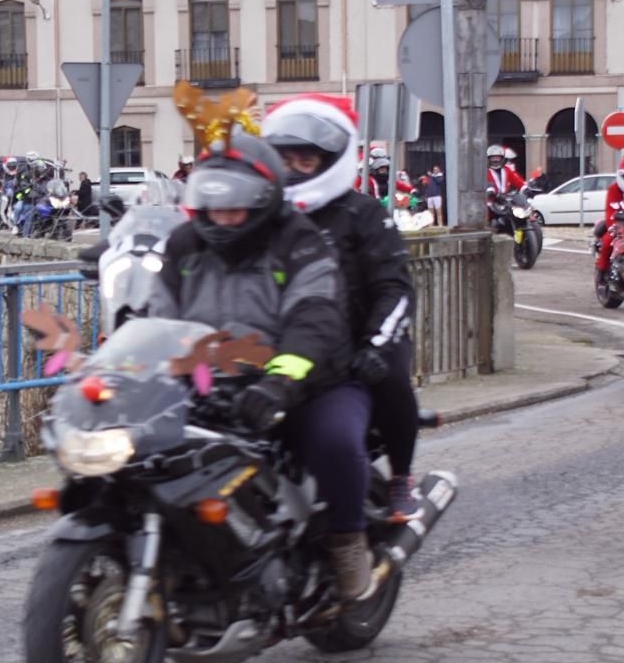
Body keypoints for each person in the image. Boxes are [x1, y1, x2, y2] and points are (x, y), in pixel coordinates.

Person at [145, 128, 375, 599]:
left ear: (265, 198)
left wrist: (279, 381)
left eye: (237, 205)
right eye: (214, 204)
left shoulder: (299, 242)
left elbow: (314, 316)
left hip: (311, 383)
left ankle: (348, 539)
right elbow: (157, 316)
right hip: (212, 384)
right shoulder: (184, 247)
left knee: (333, 441)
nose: (225, 217)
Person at [262, 93, 423, 523]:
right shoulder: (263, 215)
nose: (293, 168)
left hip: (359, 339)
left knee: (390, 375)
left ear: (327, 160)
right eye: (285, 159)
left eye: (305, 160)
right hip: (287, 341)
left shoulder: (364, 213)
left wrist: (375, 344)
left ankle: (401, 477)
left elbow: (395, 287)